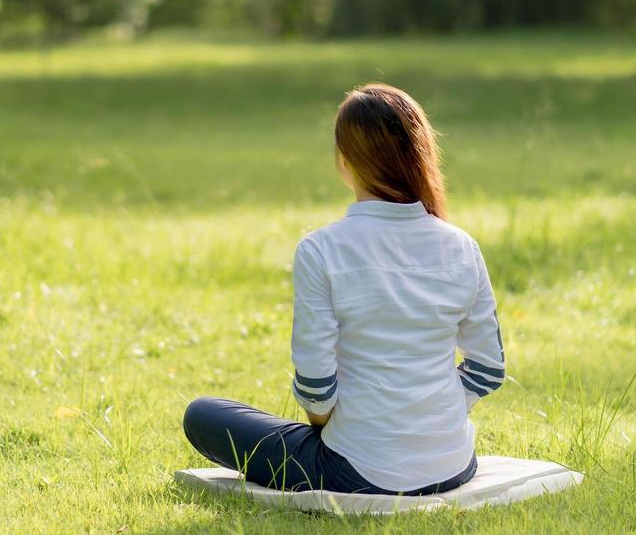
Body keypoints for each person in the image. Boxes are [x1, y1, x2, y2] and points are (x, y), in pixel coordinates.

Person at [182, 83, 505, 495]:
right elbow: (488, 368)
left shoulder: (321, 249)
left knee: (203, 415)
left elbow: (316, 392)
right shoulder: (462, 245)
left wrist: (351, 423)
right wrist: (433, 411)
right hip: (454, 464)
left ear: (345, 159)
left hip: (357, 472)